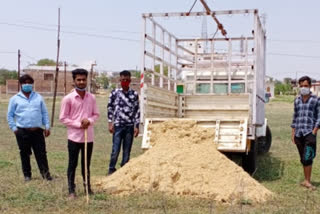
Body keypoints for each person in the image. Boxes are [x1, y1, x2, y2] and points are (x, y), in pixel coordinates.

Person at [59, 68, 100, 199]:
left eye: (83, 79)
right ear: (74, 81)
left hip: (89, 138)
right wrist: (79, 124)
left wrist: (89, 120)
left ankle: (87, 188)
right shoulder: (68, 99)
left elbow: (96, 114)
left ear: (86, 80)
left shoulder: (91, 97)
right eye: (79, 80)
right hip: (74, 138)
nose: (81, 82)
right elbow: (63, 118)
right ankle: (71, 190)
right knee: (72, 164)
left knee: (86, 164)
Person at [7, 74, 52, 182]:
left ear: (32, 84)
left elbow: (44, 113)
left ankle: (46, 175)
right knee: (24, 153)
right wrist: (14, 128)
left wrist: (47, 126)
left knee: (41, 153)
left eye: (29, 83)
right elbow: (10, 115)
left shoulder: (38, 97)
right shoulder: (14, 99)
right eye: (25, 83)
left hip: (37, 131)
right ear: (21, 84)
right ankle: (27, 175)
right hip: (22, 131)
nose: (27, 85)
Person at [107, 70, 140, 175]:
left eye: (127, 80)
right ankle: (111, 169)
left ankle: (123, 170)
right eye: (123, 80)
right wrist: (110, 123)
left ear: (130, 80)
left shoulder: (134, 94)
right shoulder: (114, 93)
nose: (125, 81)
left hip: (129, 126)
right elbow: (110, 108)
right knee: (115, 150)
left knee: (127, 151)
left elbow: (137, 111)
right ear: (119, 80)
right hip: (118, 126)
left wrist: (137, 126)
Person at [291, 76, 320, 190]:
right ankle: (306, 180)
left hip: (309, 133)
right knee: (303, 157)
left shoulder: (316, 100)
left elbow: (319, 117)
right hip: (299, 133)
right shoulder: (297, 100)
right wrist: (293, 132)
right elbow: (295, 117)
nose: (303, 88)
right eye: (301, 86)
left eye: (306, 86)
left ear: (310, 86)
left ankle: (307, 181)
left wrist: (314, 131)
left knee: (308, 156)